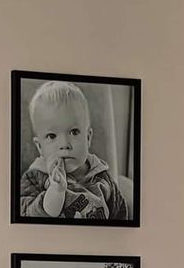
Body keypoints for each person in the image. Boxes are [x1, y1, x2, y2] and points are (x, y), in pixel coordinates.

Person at [20, 81, 128, 220]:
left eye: (74, 132)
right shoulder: (35, 178)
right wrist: (55, 192)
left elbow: (121, 216)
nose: (65, 145)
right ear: (39, 146)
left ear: (88, 138)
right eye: (52, 136)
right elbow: (27, 216)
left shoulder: (102, 176)